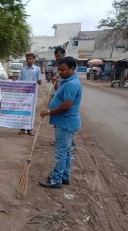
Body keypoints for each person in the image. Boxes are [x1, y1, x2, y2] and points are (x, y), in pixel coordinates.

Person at [39, 56, 82, 188]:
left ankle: (56, 179)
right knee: (67, 151)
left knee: (61, 153)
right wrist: (56, 84)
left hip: (66, 123)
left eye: (63, 70)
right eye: (59, 70)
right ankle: (64, 176)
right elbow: (60, 95)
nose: (60, 72)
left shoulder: (71, 84)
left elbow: (66, 105)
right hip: (66, 122)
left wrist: (49, 112)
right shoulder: (67, 80)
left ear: (72, 68)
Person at [17, 52, 41, 136]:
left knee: (31, 111)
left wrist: (38, 82)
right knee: (23, 111)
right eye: (27, 59)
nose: (29, 60)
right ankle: (22, 129)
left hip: (33, 95)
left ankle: (30, 129)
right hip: (24, 94)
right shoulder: (23, 69)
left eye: (30, 58)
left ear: (34, 60)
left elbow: (39, 81)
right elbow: (19, 81)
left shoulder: (37, 69)